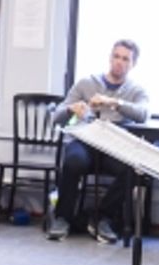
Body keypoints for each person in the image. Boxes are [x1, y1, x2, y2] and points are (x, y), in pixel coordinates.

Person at [46, 40, 150, 244]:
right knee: (73, 160)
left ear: (133, 64)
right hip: (85, 141)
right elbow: (56, 117)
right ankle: (62, 217)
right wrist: (70, 109)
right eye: (116, 56)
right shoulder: (87, 83)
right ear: (110, 58)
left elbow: (143, 113)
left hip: (113, 146)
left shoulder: (136, 90)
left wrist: (115, 103)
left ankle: (102, 216)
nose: (119, 62)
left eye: (125, 59)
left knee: (132, 168)